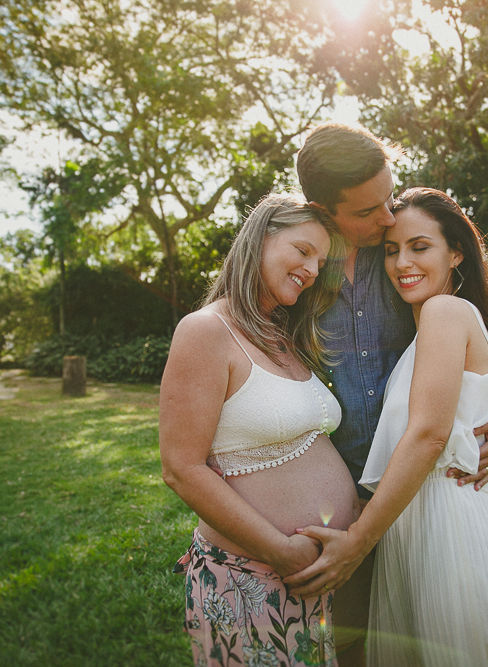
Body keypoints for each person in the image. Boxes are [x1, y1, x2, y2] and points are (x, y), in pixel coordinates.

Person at [293, 123, 488, 666]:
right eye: (369, 211)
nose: (386, 218)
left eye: (389, 196)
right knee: (360, 647)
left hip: (425, 505)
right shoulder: (297, 269)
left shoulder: (412, 253)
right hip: (340, 502)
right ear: (324, 210)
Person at [160, 194, 359, 667]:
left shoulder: (282, 334)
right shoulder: (206, 330)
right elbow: (181, 469)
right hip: (251, 579)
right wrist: (283, 552)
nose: (312, 269)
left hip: (318, 578)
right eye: (303, 250)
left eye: (321, 261)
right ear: (261, 238)